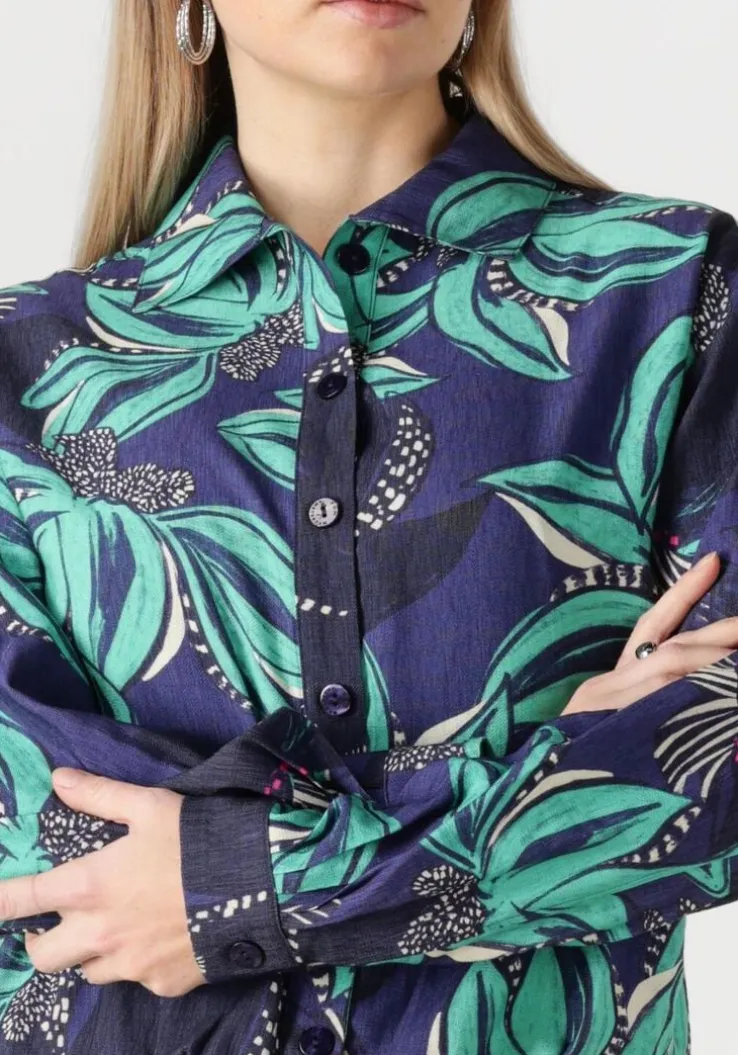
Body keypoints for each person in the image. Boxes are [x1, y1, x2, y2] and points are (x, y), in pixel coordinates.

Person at [0, 0, 737, 1052]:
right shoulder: (27, 370)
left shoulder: (673, 294)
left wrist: (231, 884)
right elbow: (46, 843)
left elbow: (712, 771)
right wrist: (543, 765)